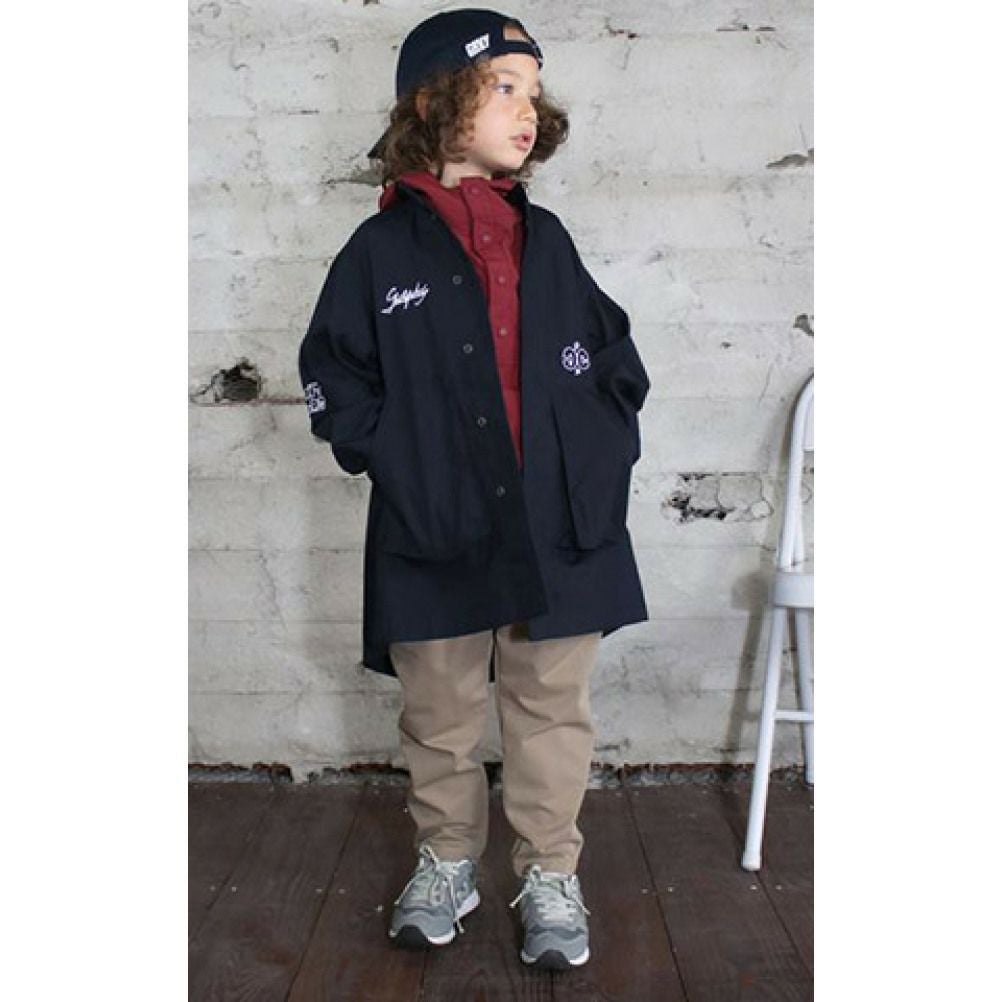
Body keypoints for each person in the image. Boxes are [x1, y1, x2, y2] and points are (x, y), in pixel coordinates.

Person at [298, 8, 650, 971]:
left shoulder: (550, 240)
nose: (526, 109)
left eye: (533, 92)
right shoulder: (379, 253)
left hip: (557, 519)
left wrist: (602, 448)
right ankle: (447, 860)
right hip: (434, 522)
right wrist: (397, 460)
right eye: (503, 87)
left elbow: (613, 359)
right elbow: (334, 375)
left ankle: (550, 873)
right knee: (440, 713)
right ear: (434, 104)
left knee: (551, 710)